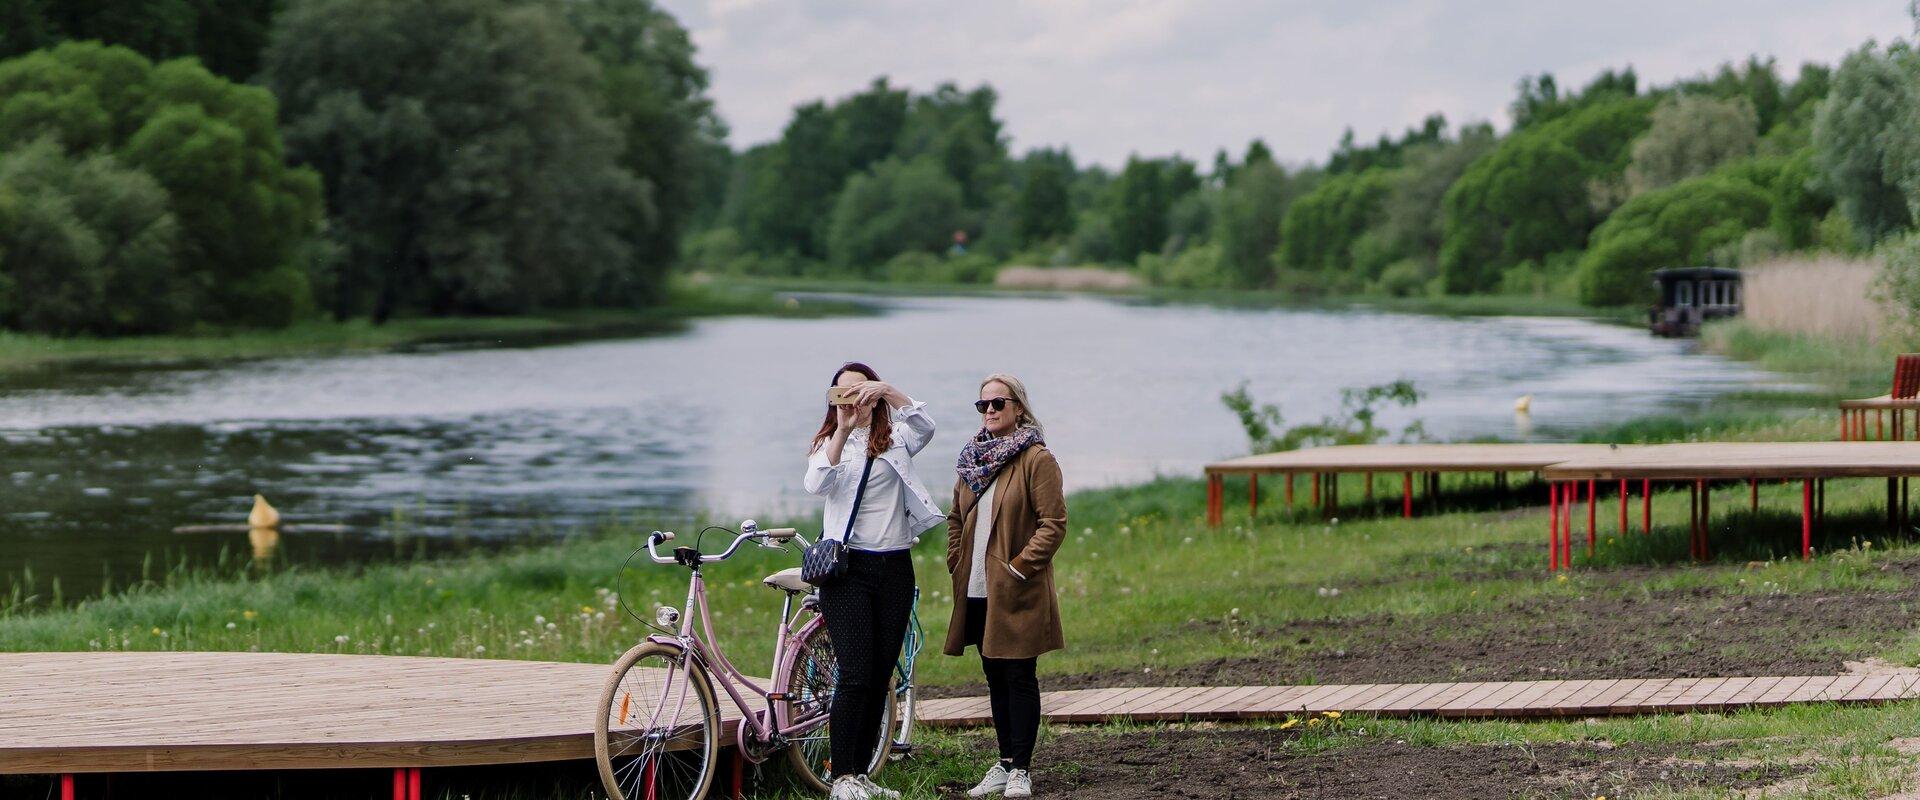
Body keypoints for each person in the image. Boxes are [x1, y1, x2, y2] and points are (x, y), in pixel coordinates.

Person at [802, 362, 943, 800]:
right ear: (833, 401)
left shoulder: (896, 439)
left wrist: (891, 390)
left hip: (895, 566)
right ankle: (840, 777)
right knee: (856, 673)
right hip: (848, 573)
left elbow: (926, 425)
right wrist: (842, 431)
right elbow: (815, 484)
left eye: (861, 392)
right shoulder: (831, 444)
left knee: (881, 674)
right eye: (844, 394)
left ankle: (861, 774)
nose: (854, 401)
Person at [944, 373, 1066, 799]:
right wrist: (956, 559)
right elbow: (955, 517)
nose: (991, 411)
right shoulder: (971, 460)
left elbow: (1053, 525)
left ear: (1019, 408)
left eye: (999, 403)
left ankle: (1022, 770)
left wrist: (1018, 568)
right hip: (976, 587)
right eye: (984, 405)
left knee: (1018, 674)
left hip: (1017, 587)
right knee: (993, 673)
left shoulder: (1037, 459)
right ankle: (1004, 762)